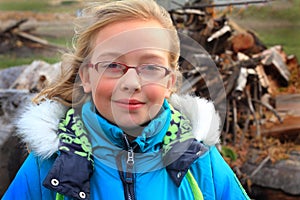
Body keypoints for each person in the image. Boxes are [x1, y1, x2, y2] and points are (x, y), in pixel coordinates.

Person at [3, 0, 250, 199]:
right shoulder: (49, 165)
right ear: (86, 77)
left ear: (170, 83)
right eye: (112, 65)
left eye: (151, 67)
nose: (131, 83)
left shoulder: (199, 162)